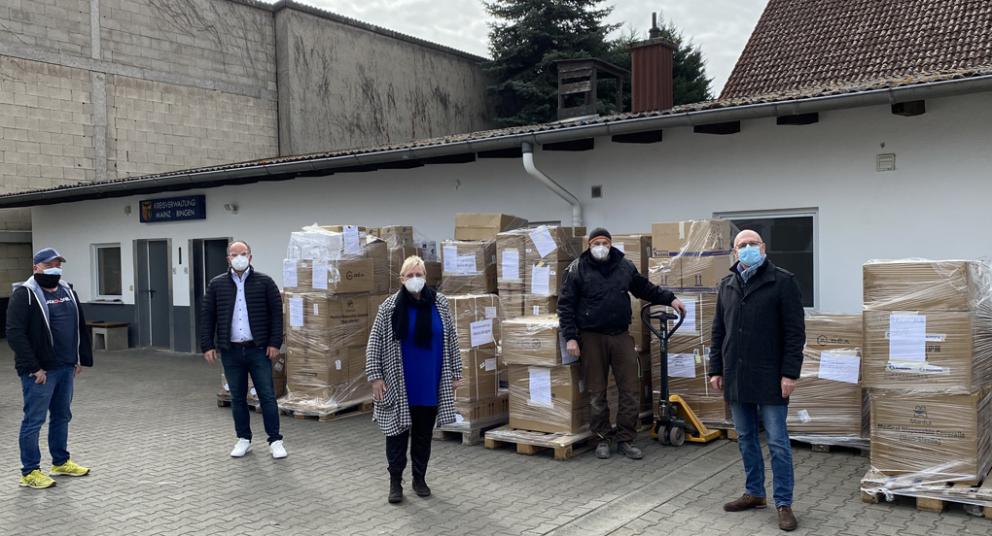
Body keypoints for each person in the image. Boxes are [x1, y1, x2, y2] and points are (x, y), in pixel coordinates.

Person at [558, 228, 685, 460]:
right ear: (589, 245)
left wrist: (670, 299)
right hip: (591, 337)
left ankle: (626, 438)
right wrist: (571, 337)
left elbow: (644, 288)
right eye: (596, 243)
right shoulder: (577, 269)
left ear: (611, 244)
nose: (601, 247)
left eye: (605, 243)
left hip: (620, 335)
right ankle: (602, 438)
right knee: (597, 391)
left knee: (630, 389)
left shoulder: (624, 266)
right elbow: (565, 305)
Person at [708, 229, 805, 531]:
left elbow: (795, 332)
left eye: (753, 243)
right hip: (737, 375)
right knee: (746, 437)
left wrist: (790, 373)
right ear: (734, 252)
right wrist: (715, 369)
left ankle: (784, 502)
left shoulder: (783, 281)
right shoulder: (727, 285)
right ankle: (754, 493)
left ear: (763, 248)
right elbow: (718, 331)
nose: (747, 248)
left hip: (771, 376)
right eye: (742, 245)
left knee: (777, 441)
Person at [366, 256, 463, 504]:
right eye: (409, 275)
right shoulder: (389, 307)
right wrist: (375, 377)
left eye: (419, 274)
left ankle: (419, 479)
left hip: (430, 382)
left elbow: (452, 339)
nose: (415, 279)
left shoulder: (440, 303)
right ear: (401, 279)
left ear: (426, 277)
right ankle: (395, 482)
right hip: (399, 382)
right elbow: (374, 343)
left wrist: (456, 372)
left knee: (423, 435)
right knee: (396, 435)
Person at [7, 248, 93, 489]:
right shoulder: (25, 294)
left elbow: (78, 325)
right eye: (49, 265)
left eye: (58, 264)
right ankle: (30, 472)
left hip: (65, 366)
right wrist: (34, 367)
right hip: (41, 372)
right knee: (34, 420)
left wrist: (78, 357)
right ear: (36, 267)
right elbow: (15, 334)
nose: (55, 269)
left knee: (62, 416)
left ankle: (60, 462)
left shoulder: (68, 290)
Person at [200, 240, 287, 459]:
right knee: (237, 397)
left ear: (250, 257)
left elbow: (277, 315)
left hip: (258, 350)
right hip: (231, 351)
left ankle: (275, 440)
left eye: (243, 253)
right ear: (228, 258)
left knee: (267, 396)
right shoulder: (216, 285)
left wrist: (274, 343)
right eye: (234, 254)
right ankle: (244, 439)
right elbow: (208, 316)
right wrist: (207, 345)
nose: (239, 258)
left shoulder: (265, 282)